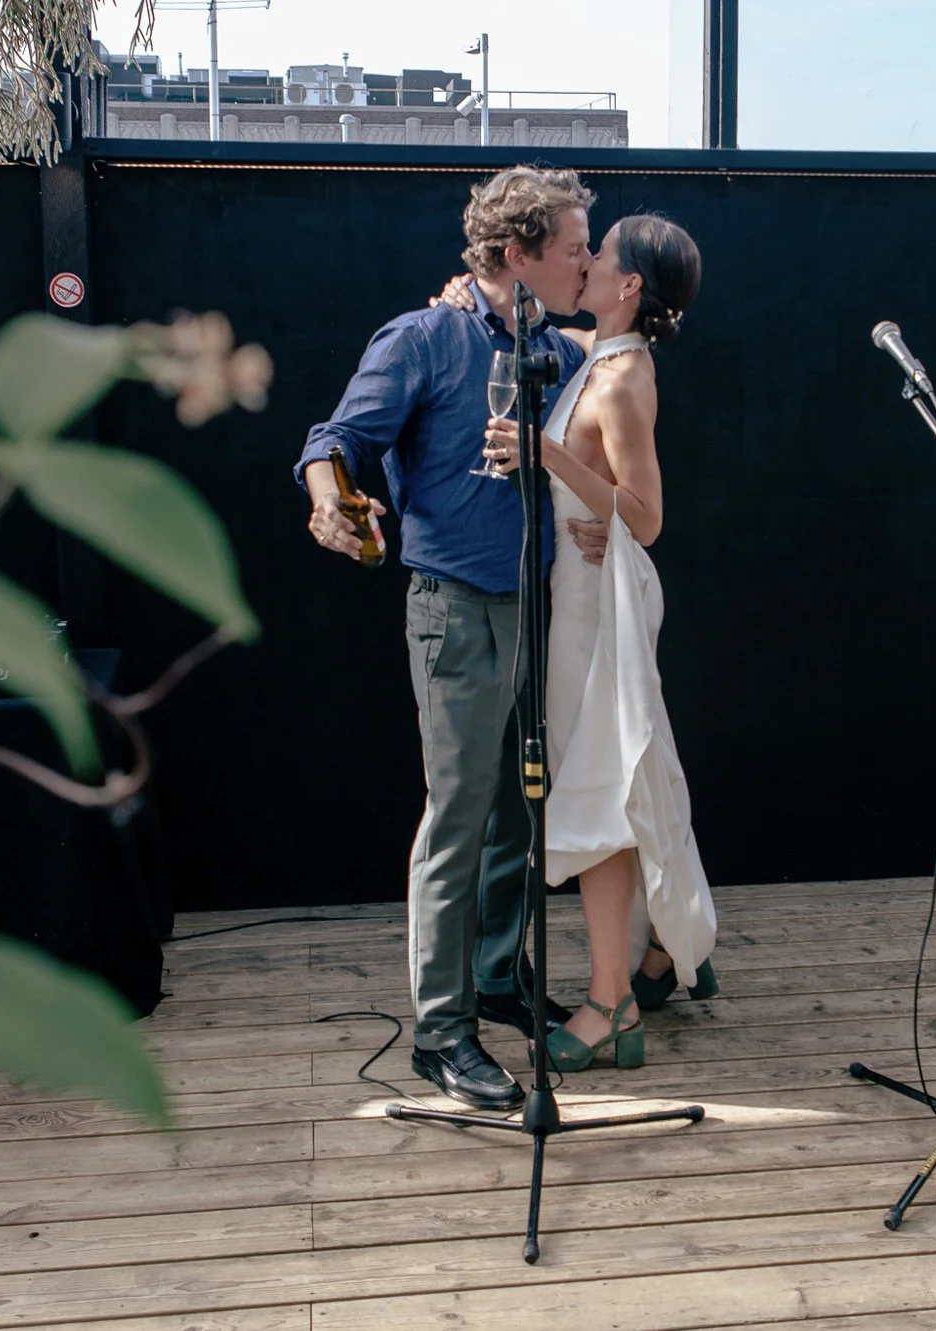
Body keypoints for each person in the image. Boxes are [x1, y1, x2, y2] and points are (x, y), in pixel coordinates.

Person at [298, 166, 608, 1111]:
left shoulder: (551, 342)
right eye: (572, 250)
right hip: (455, 607)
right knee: (460, 818)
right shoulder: (423, 338)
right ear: (519, 254)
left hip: (533, 600)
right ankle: (441, 1032)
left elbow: (619, 338)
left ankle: (496, 978)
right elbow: (332, 440)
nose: (587, 263)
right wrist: (329, 505)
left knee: (520, 809)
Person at [467, 212, 714, 1071]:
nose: (588, 263)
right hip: (577, 593)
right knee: (626, 776)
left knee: (604, 791)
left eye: (600, 254)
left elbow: (645, 518)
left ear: (631, 285)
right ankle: (670, 946)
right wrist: (467, 294)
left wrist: (544, 455)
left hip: (597, 609)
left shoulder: (620, 379)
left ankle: (612, 998)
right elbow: (560, 323)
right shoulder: (600, 350)